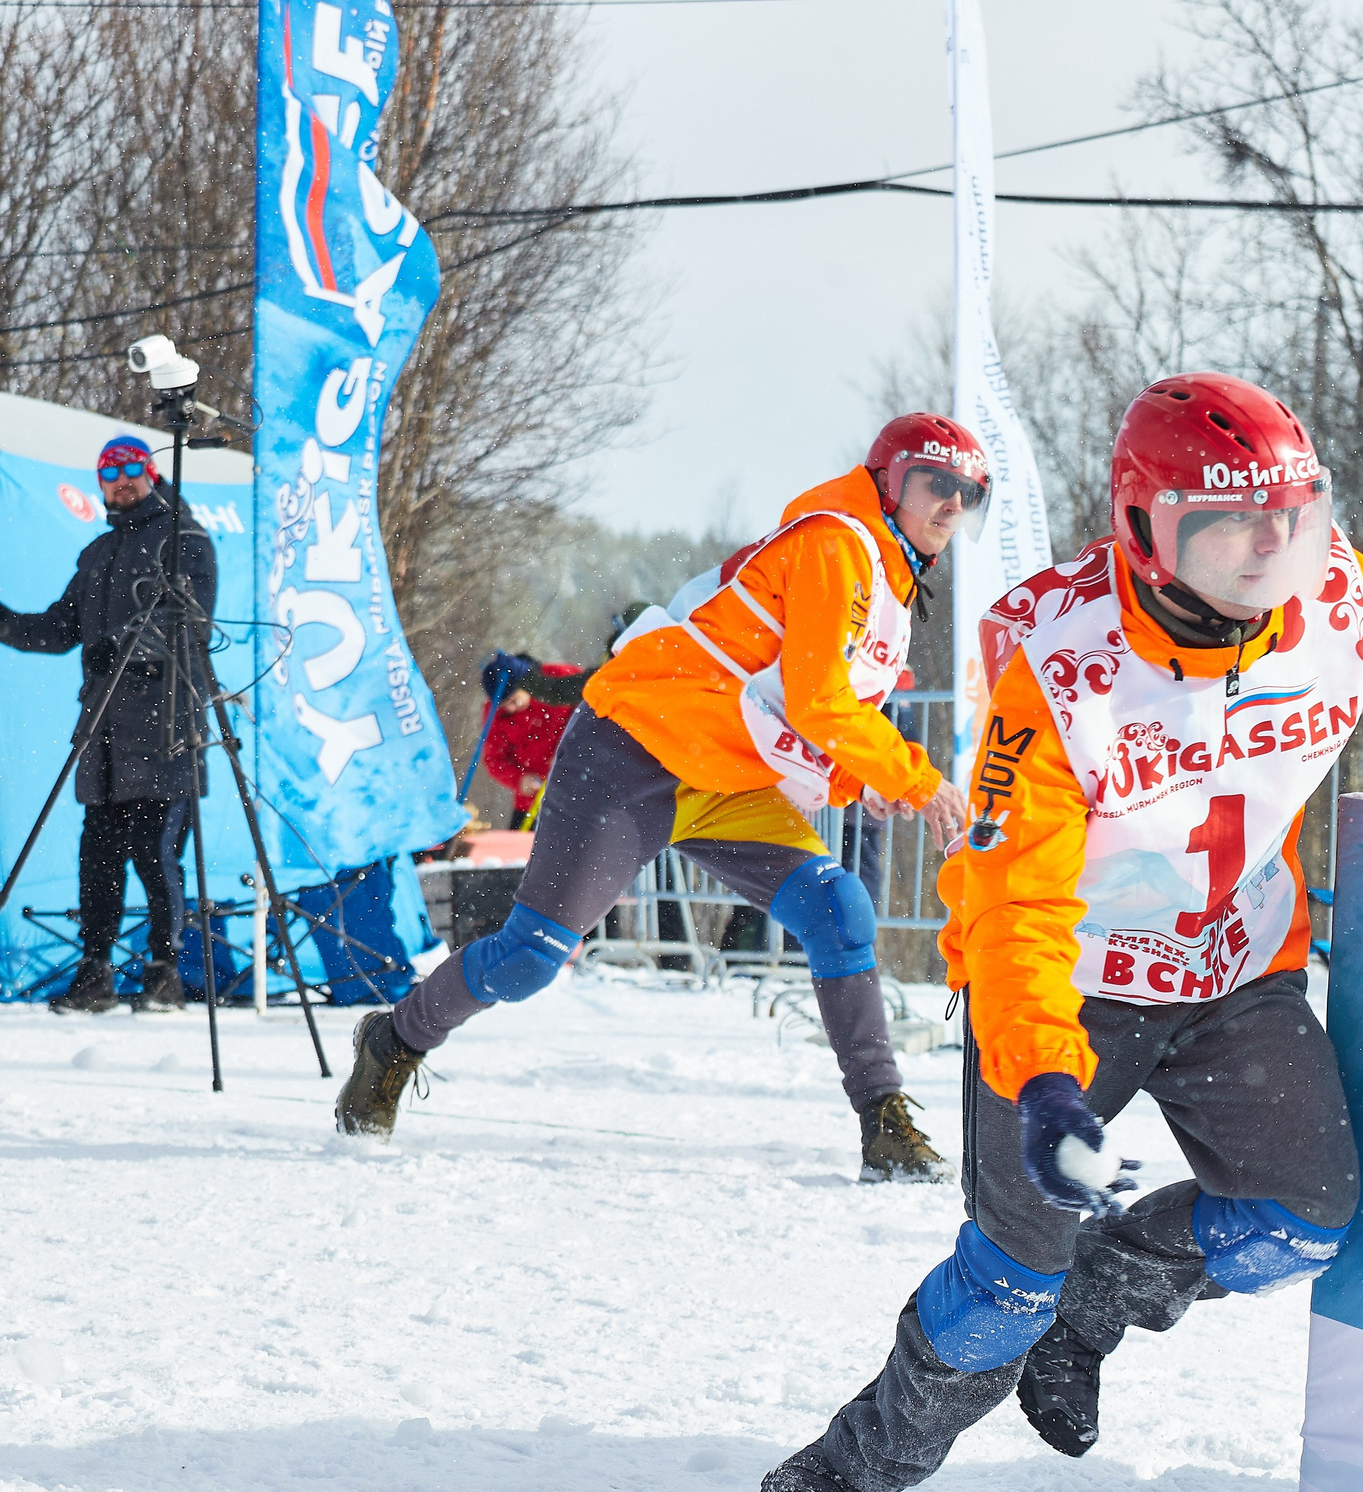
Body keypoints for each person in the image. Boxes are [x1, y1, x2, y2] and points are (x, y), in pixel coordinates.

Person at [760, 372, 1363, 1492]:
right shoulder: (1056, 662)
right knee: (1007, 1280)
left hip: (1233, 971)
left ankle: (1096, 1302)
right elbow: (1012, 900)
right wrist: (1036, 1076)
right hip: (1068, 994)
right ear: (1144, 528)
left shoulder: (1334, 599)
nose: (1267, 555)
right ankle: (860, 1459)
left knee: (1298, 1221)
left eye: (1289, 521)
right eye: (1227, 525)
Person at [333, 416, 978, 1183]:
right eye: (933, 483)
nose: (951, 504)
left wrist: (857, 779)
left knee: (840, 907)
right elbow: (816, 702)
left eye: (969, 492)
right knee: (531, 959)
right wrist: (913, 777)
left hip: (724, 778)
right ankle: (395, 1040)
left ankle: (883, 1120)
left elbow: (789, 704)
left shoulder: (885, 576)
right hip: (632, 752)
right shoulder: (837, 544)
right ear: (886, 482)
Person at [0, 434, 212, 1015]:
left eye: (134, 468)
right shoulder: (99, 553)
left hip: (164, 726)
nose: (123, 479)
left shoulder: (185, 538)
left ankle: (163, 972)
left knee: (156, 853)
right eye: (111, 472)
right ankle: (96, 971)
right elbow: (62, 629)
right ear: (100, 483)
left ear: (151, 474)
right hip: (104, 730)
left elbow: (191, 624)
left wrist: (124, 647)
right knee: (98, 855)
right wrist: (8, 626)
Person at [476, 652, 587, 828]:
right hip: (532, 801)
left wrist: (573, 749)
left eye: (514, 700)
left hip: (579, 787)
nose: (511, 708)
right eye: (505, 706)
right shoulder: (494, 715)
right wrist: (520, 779)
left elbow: (591, 710)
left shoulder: (559, 678)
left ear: (525, 684)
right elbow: (494, 760)